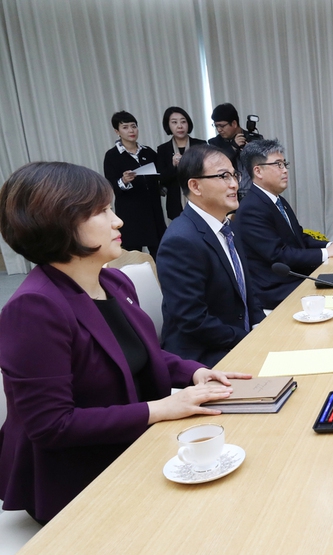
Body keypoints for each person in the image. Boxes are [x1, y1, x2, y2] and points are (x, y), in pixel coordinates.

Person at [0, 161, 247, 523]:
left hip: (135, 445)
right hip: (79, 477)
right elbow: (52, 425)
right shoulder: (34, 308)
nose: (118, 221)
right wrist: (160, 409)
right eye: (101, 212)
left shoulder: (113, 283)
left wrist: (197, 373)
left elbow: (141, 354)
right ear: (58, 222)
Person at [156, 145, 265, 367]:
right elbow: (194, 321)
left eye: (235, 174)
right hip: (202, 358)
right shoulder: (181, 241)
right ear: (195, 186)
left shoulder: (226, 227)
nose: (234, 184)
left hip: (232, 341)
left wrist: (263, 329)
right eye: (223, 176)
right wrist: (250, 341)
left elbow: (247, 293)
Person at [234, 139, 333, 309]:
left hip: (294, 278)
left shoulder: (277, 200)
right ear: (258, 171)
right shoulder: (251, 208)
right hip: (276, 288)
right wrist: (326, 253)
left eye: (284, 164)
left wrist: (331, 245)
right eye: (278, 165)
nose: (285, 171)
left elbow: (299, 237)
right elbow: (279, 255)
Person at [102, 111, 166, 257]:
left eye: (134, 126)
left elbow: (160, 176)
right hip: (130, 213)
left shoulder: (148, 152)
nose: (131, 130)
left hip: (152, 211)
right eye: (125, 127)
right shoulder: (112, 156)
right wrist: (123, 181)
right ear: (117, 131)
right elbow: (111, 185)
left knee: (160, 253)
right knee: (133, 256)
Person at [156, 106, 206, 220]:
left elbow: (207, 171)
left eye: (183, 121)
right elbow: (162, 179)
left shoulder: (200, 145)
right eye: (174, 122)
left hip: (201, 198)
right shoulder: (163, 150)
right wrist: (174, 166)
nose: (180, 126)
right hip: (176, 204)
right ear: (168, 125)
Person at [208, 103, 253, 199]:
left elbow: (263, 164)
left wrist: (252, 151)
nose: (219, 130)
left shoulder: (253, 138)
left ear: (234, 123)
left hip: (253, 193)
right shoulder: (215, 143)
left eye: (222, 126)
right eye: (216, 126)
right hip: (229, 195)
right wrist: (233, 147)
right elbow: (216, 164)